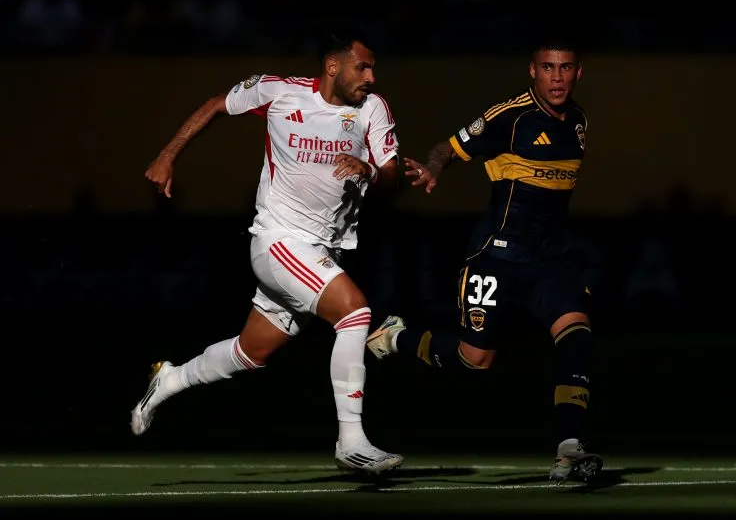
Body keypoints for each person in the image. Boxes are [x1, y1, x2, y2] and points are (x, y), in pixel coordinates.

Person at [130, 30, 405, 475]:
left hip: (321, 250)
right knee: (354, 314)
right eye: (363, 67)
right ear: (333, 67)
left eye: (373, 68)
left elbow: (392, 178)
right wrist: (168, 155)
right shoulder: (279, 92)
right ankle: (351, 441)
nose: (372, 77)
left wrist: (371, 170)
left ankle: (170, 379)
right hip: (278, 240)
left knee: (250, 352)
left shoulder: (373, 109)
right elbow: (217, 104)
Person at [366, 37, 602, 483]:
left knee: (577, 335)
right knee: (475, 360)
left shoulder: (577, 120)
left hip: (552, 260)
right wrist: (435, 168)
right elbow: (447, 148)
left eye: (565, 68)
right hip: (498, 259)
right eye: (548, 67)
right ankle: (395, 337)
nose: (557, 77)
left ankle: (569, 448)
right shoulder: (509, 117)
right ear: (532, 71)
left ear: (578, 72)